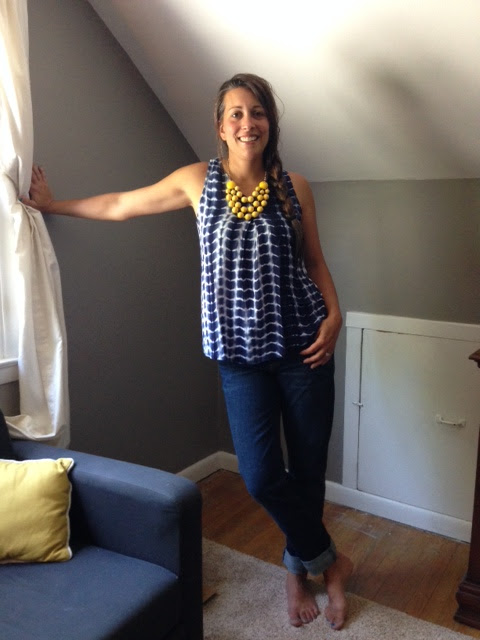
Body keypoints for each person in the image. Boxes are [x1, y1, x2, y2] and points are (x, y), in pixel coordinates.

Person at [23, 73, 353, 630]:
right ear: (220, 127)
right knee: (261, 477)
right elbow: (121, 204)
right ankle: (331, 562)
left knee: (307, 470)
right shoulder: (198, 181)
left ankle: (298, 572)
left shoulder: (294, 185)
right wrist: (53, 206)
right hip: (238, 357)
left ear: (270, 123)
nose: (248, 123)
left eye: (258, 112)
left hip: (304, 347)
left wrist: (336, 316)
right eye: (236, 114)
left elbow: (314, 261)